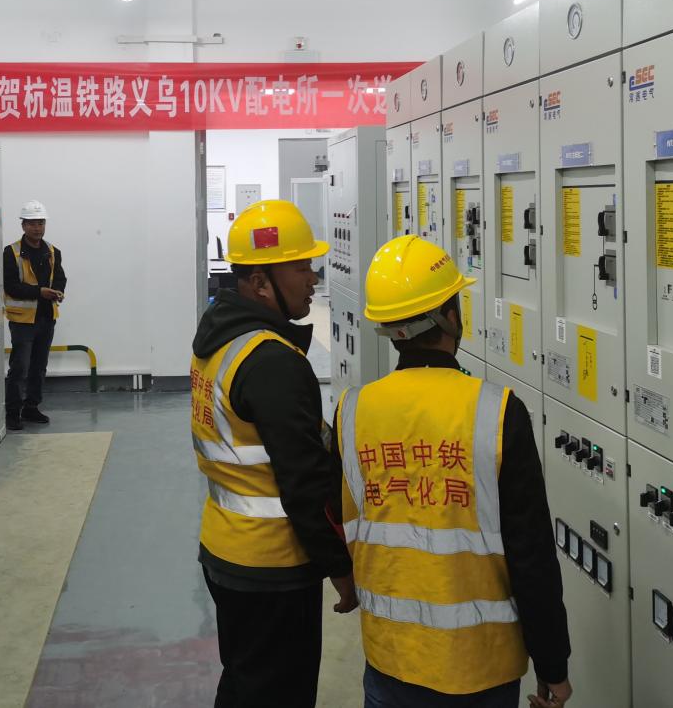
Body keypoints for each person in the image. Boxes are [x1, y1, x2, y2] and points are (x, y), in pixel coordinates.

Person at [336, 235, 571, 708]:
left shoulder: (353, 410)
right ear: (451, 317)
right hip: (481, 666)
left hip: (390, 657)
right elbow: (532, 557)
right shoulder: (497, 412)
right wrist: (552, 665)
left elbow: (340, 520)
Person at [190, 200, 356, 708]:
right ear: (261, 283)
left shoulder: (220, 336)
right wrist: (341, 569)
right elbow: (304, 484)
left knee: (245, 681)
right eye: (301, 267)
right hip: (272, 565)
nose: (313, 278)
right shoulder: (272, 361)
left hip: (225, 547)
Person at [3, 200, 65, 430]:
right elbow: (11, 286)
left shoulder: (52, 252)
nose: (37, 228)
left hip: (46, 318)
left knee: (39, 366)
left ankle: (31, 407)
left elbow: (60, 278)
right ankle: (12, 412)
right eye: (32, 223)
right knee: (20, 367)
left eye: (41, 223)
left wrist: (58, 292)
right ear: (23, 226)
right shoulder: (11, 253)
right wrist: (40, 292)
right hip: (23, 321)